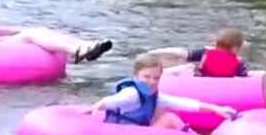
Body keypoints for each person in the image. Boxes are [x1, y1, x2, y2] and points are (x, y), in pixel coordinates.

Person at [90, 53, 237, 129]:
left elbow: (183, 103)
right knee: (169, 119)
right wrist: (99, 105)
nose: (152, 82)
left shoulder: (154, 96)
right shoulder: (132, 94)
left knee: (161, 112)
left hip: (135, 134)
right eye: (146, 77)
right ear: (135, 77)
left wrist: (216, 108)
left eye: (156, 78)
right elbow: (115, 101)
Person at [146, 29, 250, 77]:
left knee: (189, 67)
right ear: (235, 48)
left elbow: (181, 53)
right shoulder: (238, 63)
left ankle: (161, 73)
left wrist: (153, 52)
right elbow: (243, 78)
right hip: (223, 87)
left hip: (200, 83)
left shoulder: (205, 53)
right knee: (190, 67)